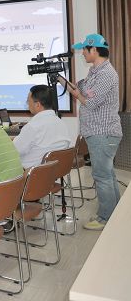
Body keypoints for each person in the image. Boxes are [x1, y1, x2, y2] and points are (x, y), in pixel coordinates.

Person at [61, 33, 122, 231]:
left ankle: (105, 218)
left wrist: (76, 93)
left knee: (102, 176)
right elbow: (81, 90)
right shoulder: (95, 72)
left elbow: (90, 102)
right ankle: (114, 214)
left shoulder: (106, 74)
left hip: (103, 133)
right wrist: (63, 81)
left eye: (85, 50)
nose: (83, 54)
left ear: (94, 49)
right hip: (98, 133)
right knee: (107, 175)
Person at [13, 85, 71, 168]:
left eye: (28, 101)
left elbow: (15, 150)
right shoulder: (61, 123)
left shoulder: (33, 126)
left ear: (37, 105)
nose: (27, 104)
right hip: (54, 171)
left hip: (30, 172)